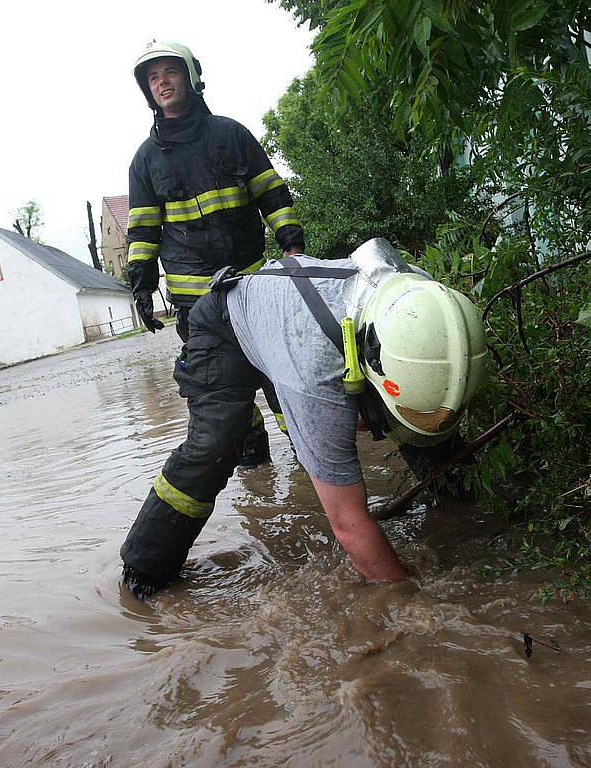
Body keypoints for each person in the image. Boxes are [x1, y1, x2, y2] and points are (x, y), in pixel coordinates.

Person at [120, 238, 487, 598]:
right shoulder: (314, 372)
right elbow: (348, 525)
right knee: (217, 442)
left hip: (292, 322)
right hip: (225, 326)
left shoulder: (427, 305)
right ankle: (145, 568)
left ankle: (466, 506)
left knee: (422, 425)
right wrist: (408, 599)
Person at [127, 39, 305, 466]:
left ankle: (307, 457)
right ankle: (256, 475)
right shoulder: (146, 160)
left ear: (190, 76)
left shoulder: (231, 135)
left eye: (169, 72)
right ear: (147, 90)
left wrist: (293, 247)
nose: (162, 82)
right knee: (226, 396)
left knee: (282, 379)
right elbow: (144, 231)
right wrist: (142, 288)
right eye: (153, 77)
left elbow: (271, 193)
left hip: (256, 285)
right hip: (197, 304)